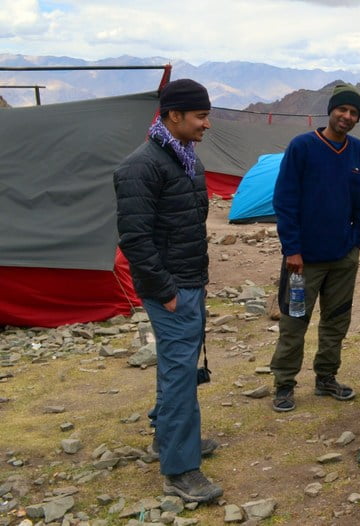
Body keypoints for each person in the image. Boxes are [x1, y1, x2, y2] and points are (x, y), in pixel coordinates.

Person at [114, 79, 222, 503]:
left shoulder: (185, 159)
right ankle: (179, 470)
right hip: (172, 289)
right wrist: (167, 291)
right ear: (173, 116)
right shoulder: (141, 166)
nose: (207, 124)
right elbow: (135, 240)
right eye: (200, 116)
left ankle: (167, 438)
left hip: (189, 281)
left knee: (179, 365)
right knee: (180, 373)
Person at [270, 83, 360, 413]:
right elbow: (285, 200)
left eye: (353, 112)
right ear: (330, 111)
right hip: (303, 262)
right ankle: (284, 384)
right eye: (342, 109)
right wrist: (292, 250)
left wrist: (356, 243)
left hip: (343, 258)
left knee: (336, 321)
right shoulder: (302, 146)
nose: (346, 116)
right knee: (294, 320)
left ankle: (326, 377)